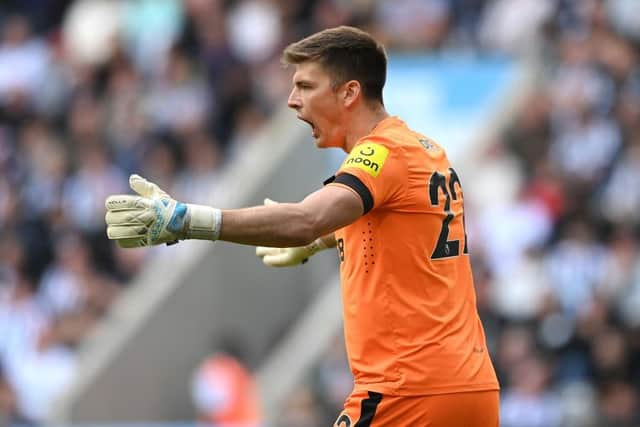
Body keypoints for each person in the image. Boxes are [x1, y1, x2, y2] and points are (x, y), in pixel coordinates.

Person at [105, 26, 500, 426]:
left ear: (348, 93)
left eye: (306, 87)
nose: (293, 102)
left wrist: (188, 221)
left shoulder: (382, 152)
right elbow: (401, 227)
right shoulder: (426, 150)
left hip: (407, 391)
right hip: (472, 387)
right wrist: (323, 242)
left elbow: (307, 218)